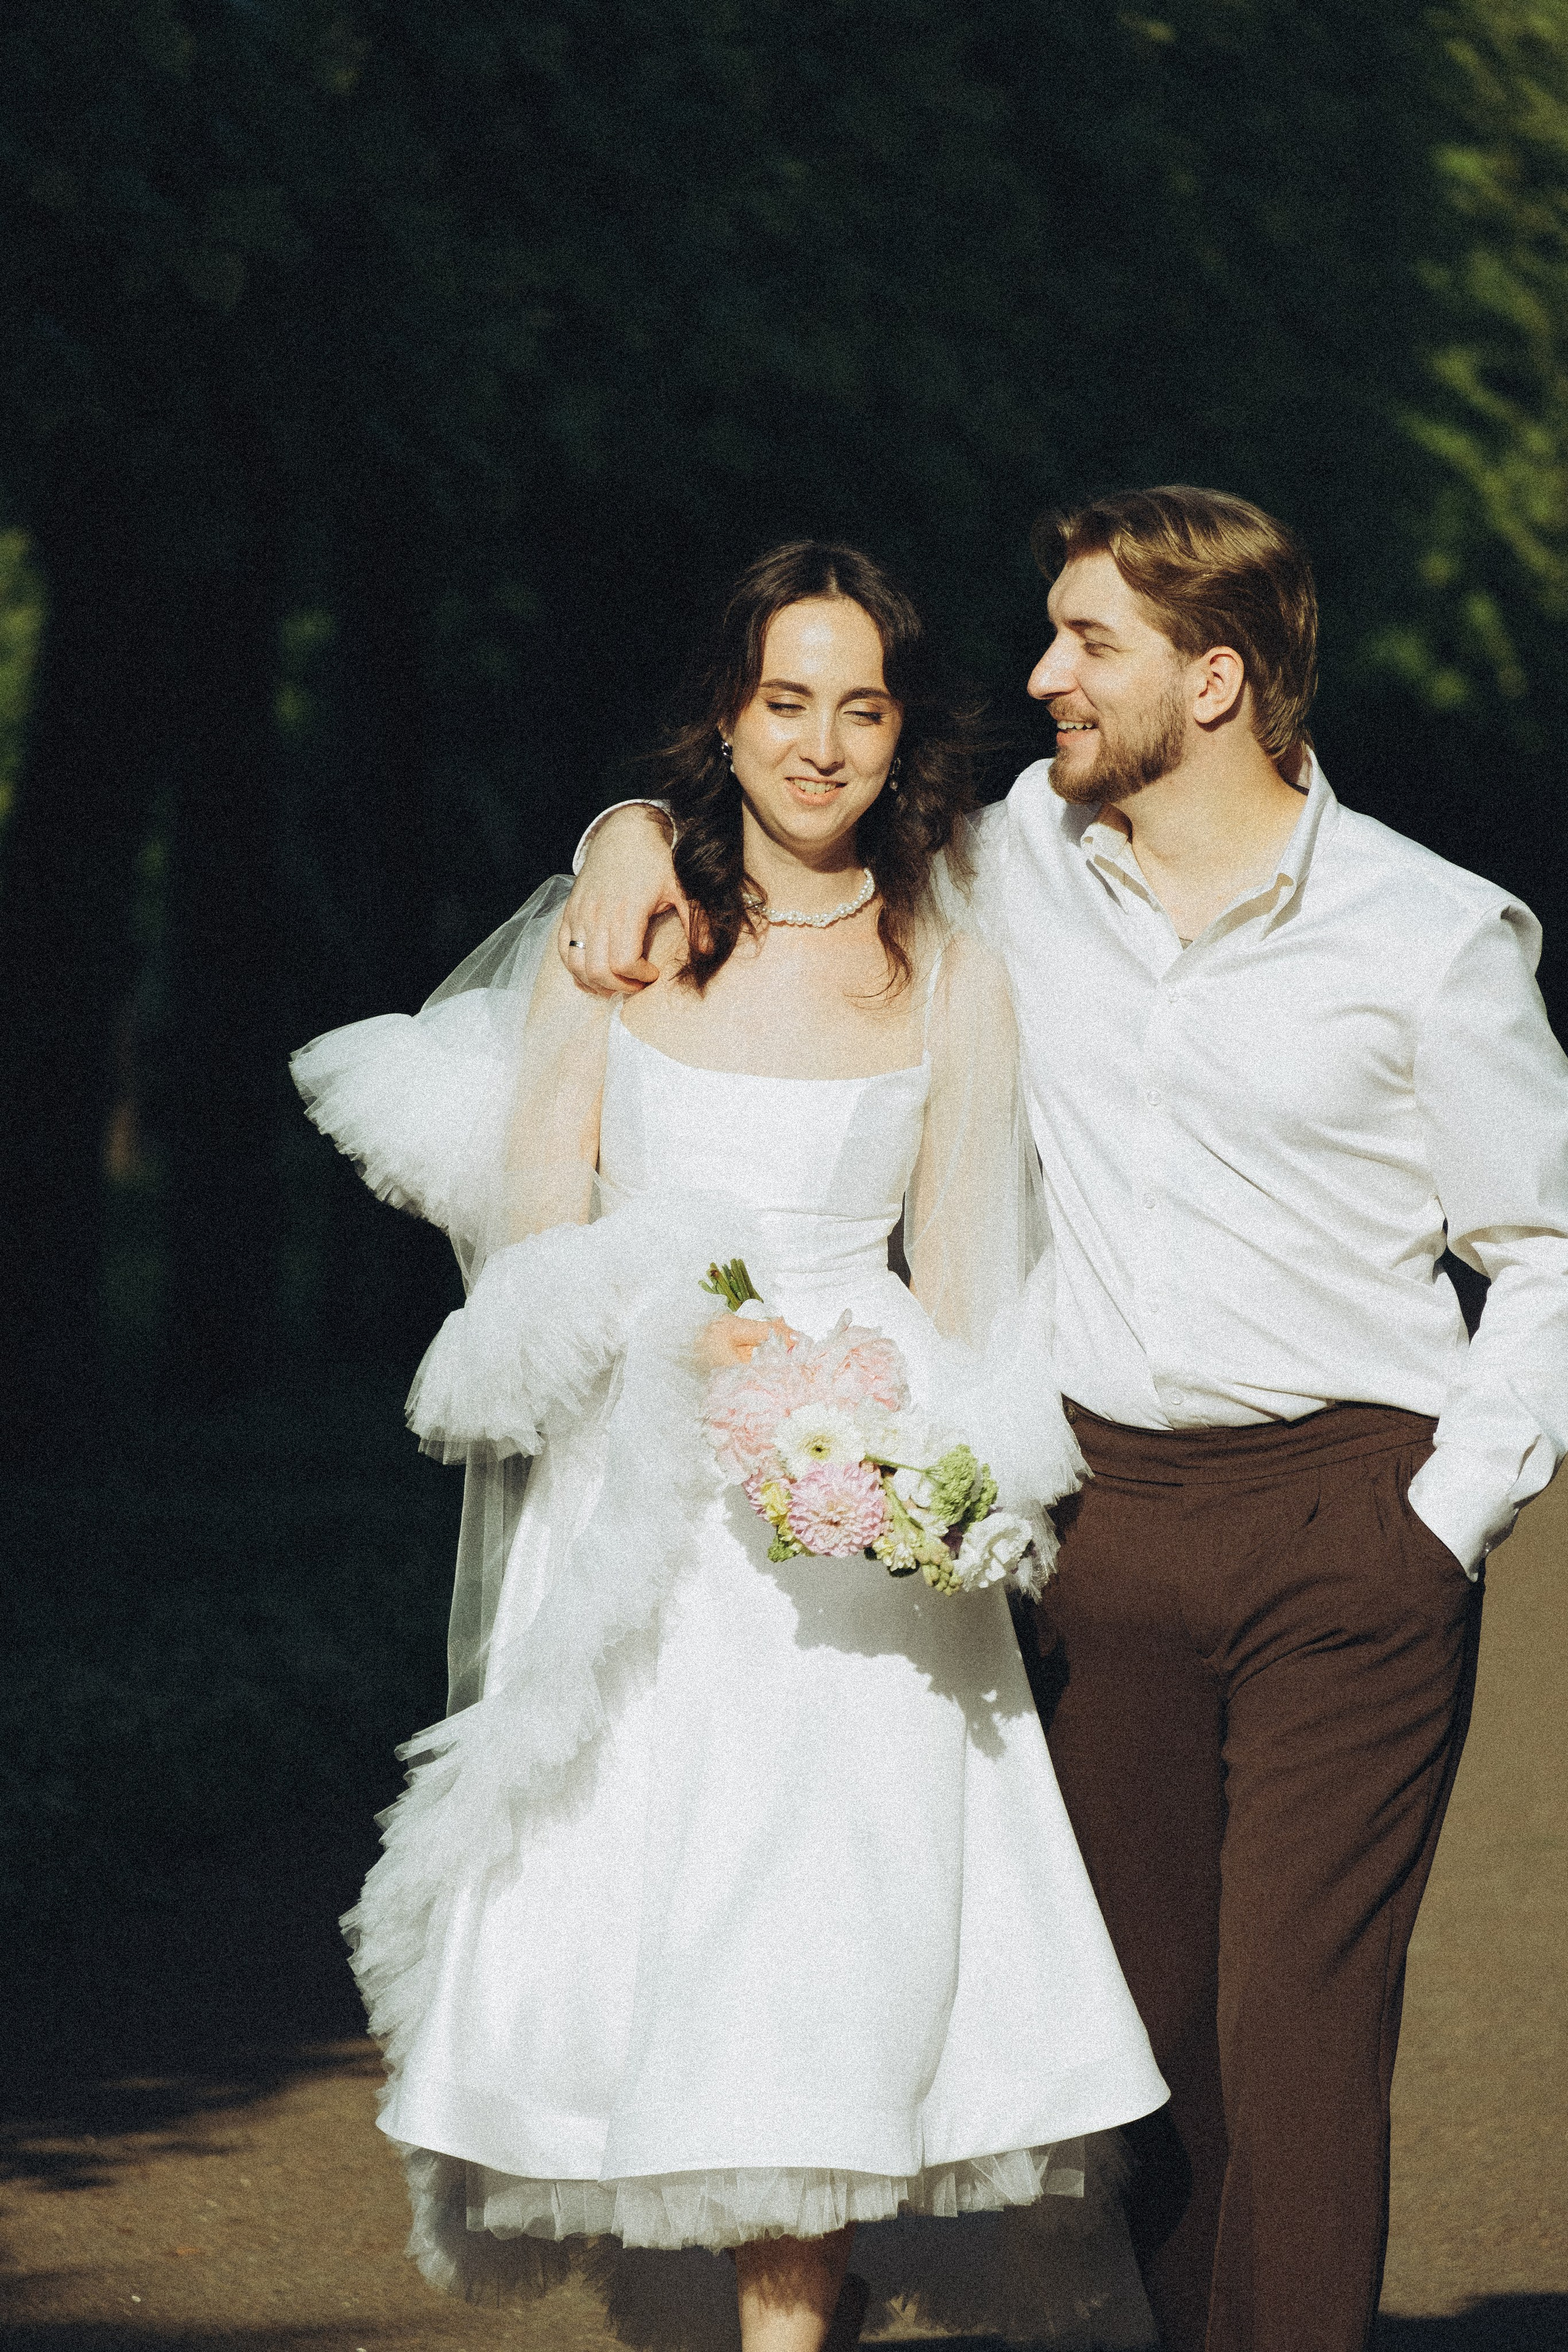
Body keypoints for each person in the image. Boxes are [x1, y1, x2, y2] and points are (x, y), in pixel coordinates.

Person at [561, 488, 1568, 2352]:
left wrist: (1445, 1514)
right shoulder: (1016, 855)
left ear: (1217, 677)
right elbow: (792, 814)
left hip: (1351, 1508)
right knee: (1157, 2046)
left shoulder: (1432, 937)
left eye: (1085, 641)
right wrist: (623, 826)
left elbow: (1548, 1248)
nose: (1039, 678)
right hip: (1109, 1518)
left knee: (1304, 2029)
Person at [293, 540, 1167, 2352]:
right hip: (644, 1496)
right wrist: (674, 1332)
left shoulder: (951, 960)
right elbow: (538, 1230)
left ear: (903, 730)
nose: (823, 745)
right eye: (788, 702)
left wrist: (931, 1475)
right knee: (647, 1918)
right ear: (729, 713)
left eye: (862, 708)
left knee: (830, 1929)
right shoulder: (626, 933)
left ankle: (791, 2329)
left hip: (855, 1504)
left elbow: (975, 1277)